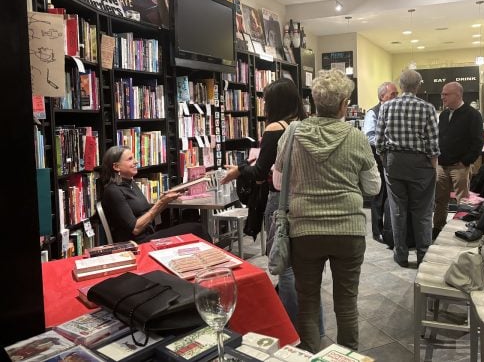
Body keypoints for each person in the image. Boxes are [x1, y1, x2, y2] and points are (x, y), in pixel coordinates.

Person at [274, 69, 380, 353]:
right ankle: (348, 357)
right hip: (348, 231)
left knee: (307, 302)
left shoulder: (293, 134)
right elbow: (373, 187)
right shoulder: (356, 138)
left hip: (304, 231)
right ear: (345, 103)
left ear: (313, 101)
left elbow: (277, 180)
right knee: (346, 303)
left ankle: (310, 353)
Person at [220, 77, 315, 332]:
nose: (263, 105)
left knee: (284, 266)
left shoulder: (275, 128)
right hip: (304, 200)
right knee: (304, 269)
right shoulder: (305, 125)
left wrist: (239, 170)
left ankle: (294, 328)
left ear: (275, 103)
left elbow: (261, 172)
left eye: (266, 101)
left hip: (280, 200)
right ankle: (312, 326)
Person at [375, 69, 439, 267]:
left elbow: (379, 141)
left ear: (401, 85)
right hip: (421, 164)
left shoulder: (386, 107)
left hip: (394, 163)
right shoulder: (427, 108)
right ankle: (423, 255)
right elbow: (433, 144)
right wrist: (433, 168)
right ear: (418, 85)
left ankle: (400, 254)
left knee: (397, 210)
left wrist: (387, 160)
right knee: (423, 212)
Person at [99, 146, 210, 244]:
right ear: (116, 167)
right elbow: (135, 229)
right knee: (196, 229)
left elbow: (145, 212)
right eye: (130, 159)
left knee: (197, 228)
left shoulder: (131, 184)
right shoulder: (113, 191)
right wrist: (161, 203)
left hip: (150, 235)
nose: (136, 161)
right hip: (137, 244)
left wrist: (165, 200)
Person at [433, 81, 484, 239]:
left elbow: (478, 141)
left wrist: (466, 161)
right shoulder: (443, 115)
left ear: (458, 95)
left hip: (460, 167)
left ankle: (461, 228)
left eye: (446, 94)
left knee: (463, 201)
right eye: (442, 94)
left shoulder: (472, 114)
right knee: (440, 200)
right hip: (441, 166)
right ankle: (438, 228)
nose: (442, 97)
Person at [363, 81, 398, 243]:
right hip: (378, 159)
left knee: (389, 197)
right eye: (393, 94)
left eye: (396, 94)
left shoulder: (396, 111)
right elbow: (369, 136)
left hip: (392, 160)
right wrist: (388, 144)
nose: (396, 97)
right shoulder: (373, 113)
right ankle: (377, 232)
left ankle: (388, 230)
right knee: (379, 195)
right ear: (381, 96)